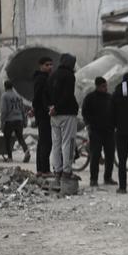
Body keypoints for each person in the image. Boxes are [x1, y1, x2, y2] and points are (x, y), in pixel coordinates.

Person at [46, 53, 79, 181]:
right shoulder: (70, 76)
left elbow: (47, 94)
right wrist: (58, 108)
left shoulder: (52, 75)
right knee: (68, 143)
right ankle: (67, 172)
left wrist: (51, 108)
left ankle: (57, 171)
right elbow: (68, 95)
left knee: (56, 144)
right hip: (67, 114)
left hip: (54, 115)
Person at [81, 76, 116, 187]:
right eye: (103, 86)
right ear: (97, 86)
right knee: (95, 155)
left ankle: (108, 177)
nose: (105, 88)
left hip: (109, 131)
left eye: (106, 86)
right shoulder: (90, 98)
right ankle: (93, 179)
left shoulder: (110, 98)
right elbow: (84, 113)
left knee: (110, 155)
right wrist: (88, 125)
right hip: (96, 131)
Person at [30, 56, 53, 176]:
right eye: (47, 65)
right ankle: (44, 169)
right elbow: (37, 96)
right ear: (41, 66)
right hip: (43, 114)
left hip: (42, 113)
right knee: (46, 142)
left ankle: (41, 169)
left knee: (43, 142)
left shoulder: (44, 78)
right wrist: (35, 108)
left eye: (51, 65)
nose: (50, 67)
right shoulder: (41, 79)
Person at [0, 80, 30, 163]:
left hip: (9, 120)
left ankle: (10, 157)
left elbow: (4, 110)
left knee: (7, 139)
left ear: (5, 87)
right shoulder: (18, 96)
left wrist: (2, 122)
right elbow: (23, 109)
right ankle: (26, 150)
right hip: (19, 119)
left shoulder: (5, 96)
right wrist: (24, 120)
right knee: (20, 137)